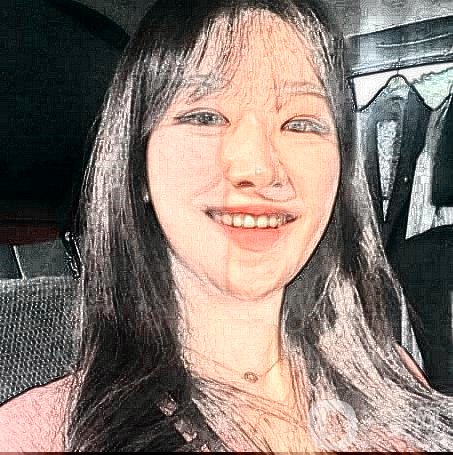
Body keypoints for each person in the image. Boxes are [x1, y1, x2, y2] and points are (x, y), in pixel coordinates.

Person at [1, 0, 452, 452]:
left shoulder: (391, 380)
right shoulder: (39, 437)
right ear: (137, 167)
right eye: (205, 117)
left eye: (300, 123)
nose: (258, 167)